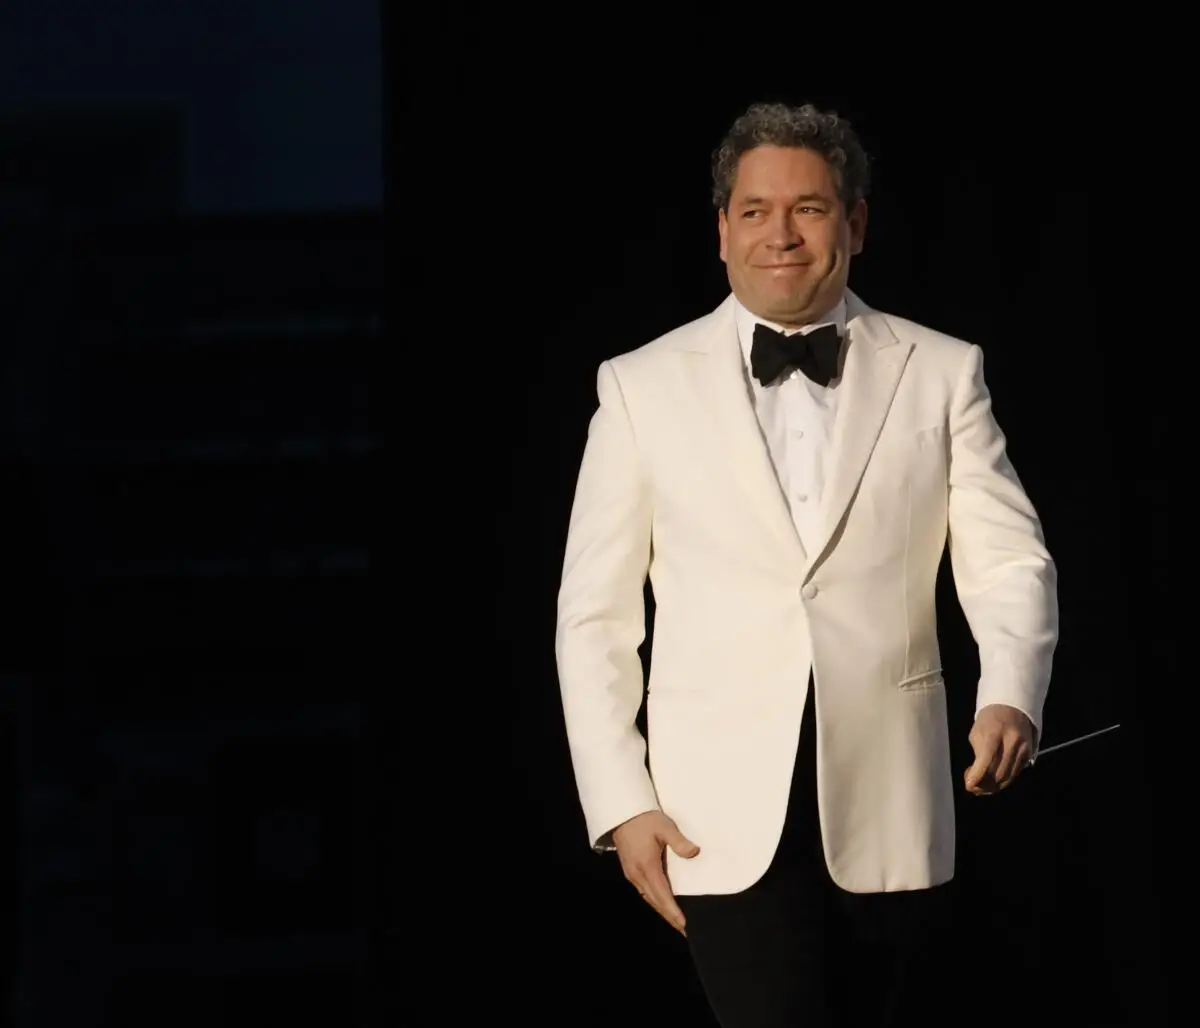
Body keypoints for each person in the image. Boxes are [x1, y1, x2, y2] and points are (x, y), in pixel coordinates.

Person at [554, 101, 1058, 1027]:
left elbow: (1009, 557)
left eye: (810, 209)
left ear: (856, 224)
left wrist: (1010, 692)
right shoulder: (638, 385)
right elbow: (594, 616)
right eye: (754, 211)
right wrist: (621, 803)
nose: (780, 234)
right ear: (721, 230)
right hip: (714, 817)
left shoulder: (941, 369)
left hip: (894, 798)